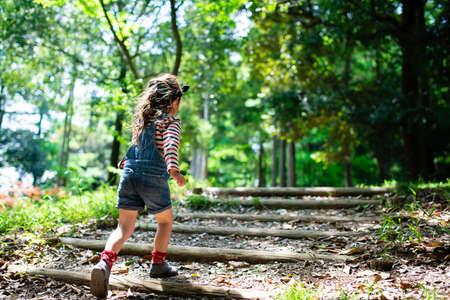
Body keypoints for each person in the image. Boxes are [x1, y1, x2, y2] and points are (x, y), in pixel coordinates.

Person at [91, 74, 188, 298]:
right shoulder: (170, 121)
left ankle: (105, 262)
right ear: (174, 101)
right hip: (154, 176)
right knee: (164, 221)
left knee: (123, 228)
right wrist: (174, 170)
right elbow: (171, 144)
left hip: (129, 175)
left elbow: (135, 149)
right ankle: (158, 264)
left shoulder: (141, 122)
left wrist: (124, 165)